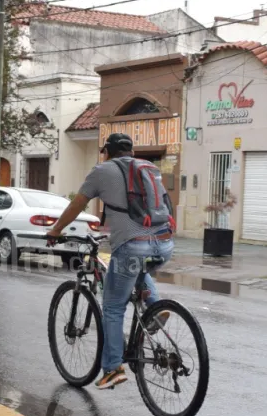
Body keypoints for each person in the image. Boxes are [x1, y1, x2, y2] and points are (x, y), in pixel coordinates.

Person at [46, 132, 175, 390]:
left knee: (113, 308)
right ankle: (155, 306)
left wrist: (56, 230)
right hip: (164, 244)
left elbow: (76, 205)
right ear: (131, 152)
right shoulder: (148, 168)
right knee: (136, 269)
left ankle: (113, 368)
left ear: (107, 152)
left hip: (133, 245)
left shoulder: (102, 170)